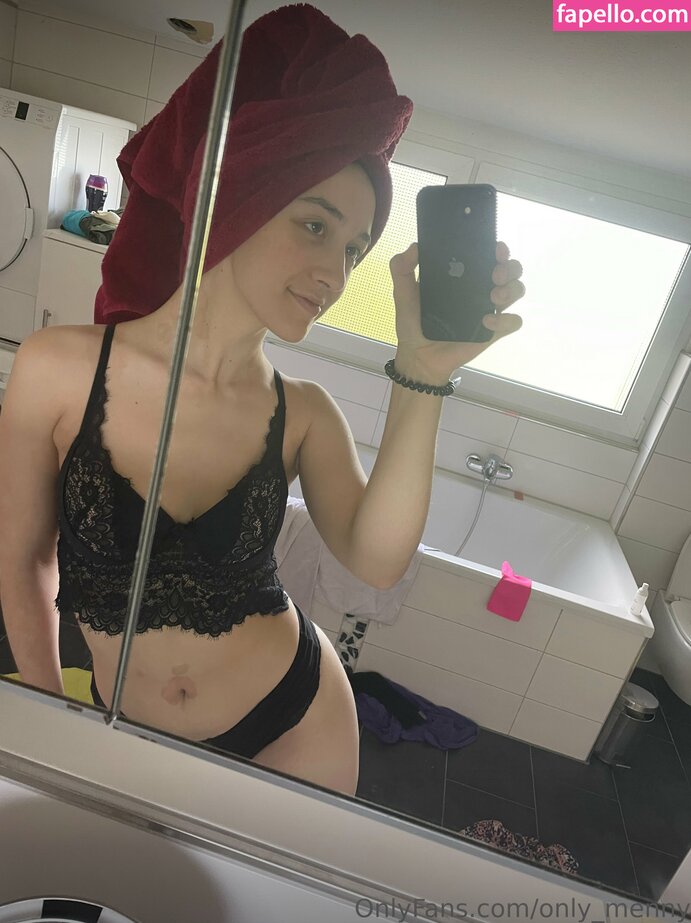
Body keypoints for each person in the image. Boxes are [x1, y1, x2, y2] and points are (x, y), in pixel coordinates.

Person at [0, 5, 524, 796]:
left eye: (353, 249)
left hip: (297, 721)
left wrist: (421, 372)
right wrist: (48, 708)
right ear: (235, 200)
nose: (334, 273)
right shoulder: (56, 368)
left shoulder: (304, 413)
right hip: (115, 718)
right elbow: (22, 558)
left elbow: (376, 562)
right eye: (314, 226)